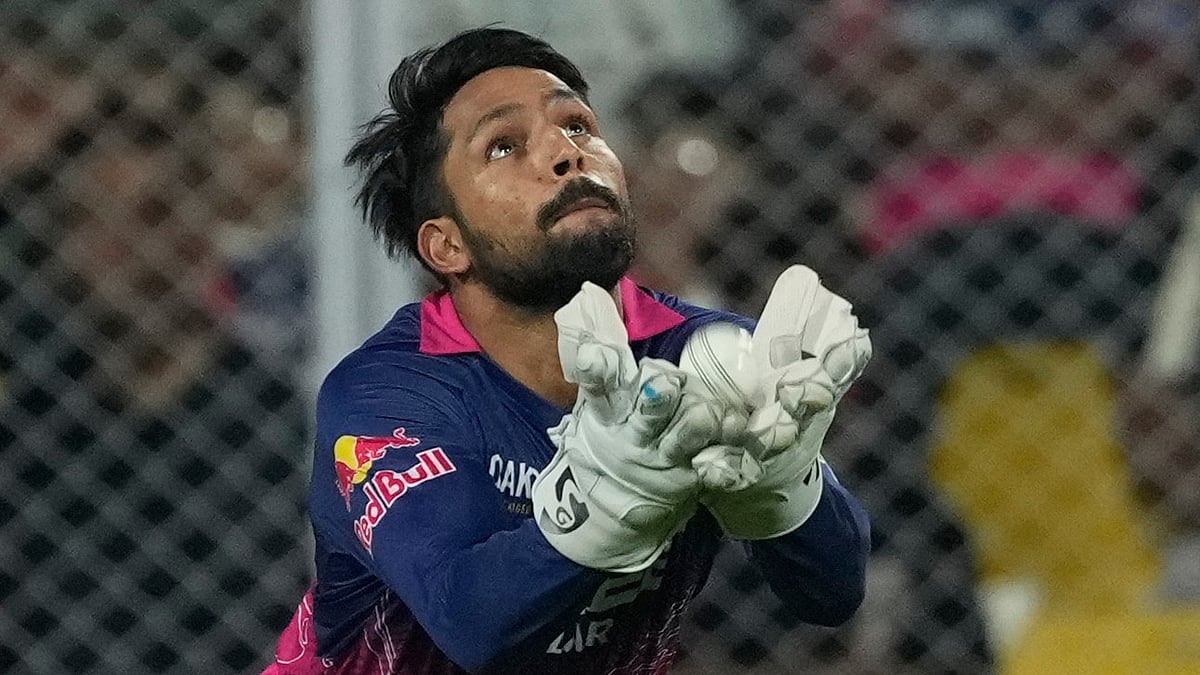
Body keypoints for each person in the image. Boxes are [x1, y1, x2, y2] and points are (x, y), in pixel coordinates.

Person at [265, 27, 871, 674]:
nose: (565, 152)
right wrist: (613, 499)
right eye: (502, 146)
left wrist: (781, 485)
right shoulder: (391, 393)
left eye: (578, 127)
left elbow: (833, 593)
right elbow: (470, 622)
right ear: (446, 245)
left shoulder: (702, 355)